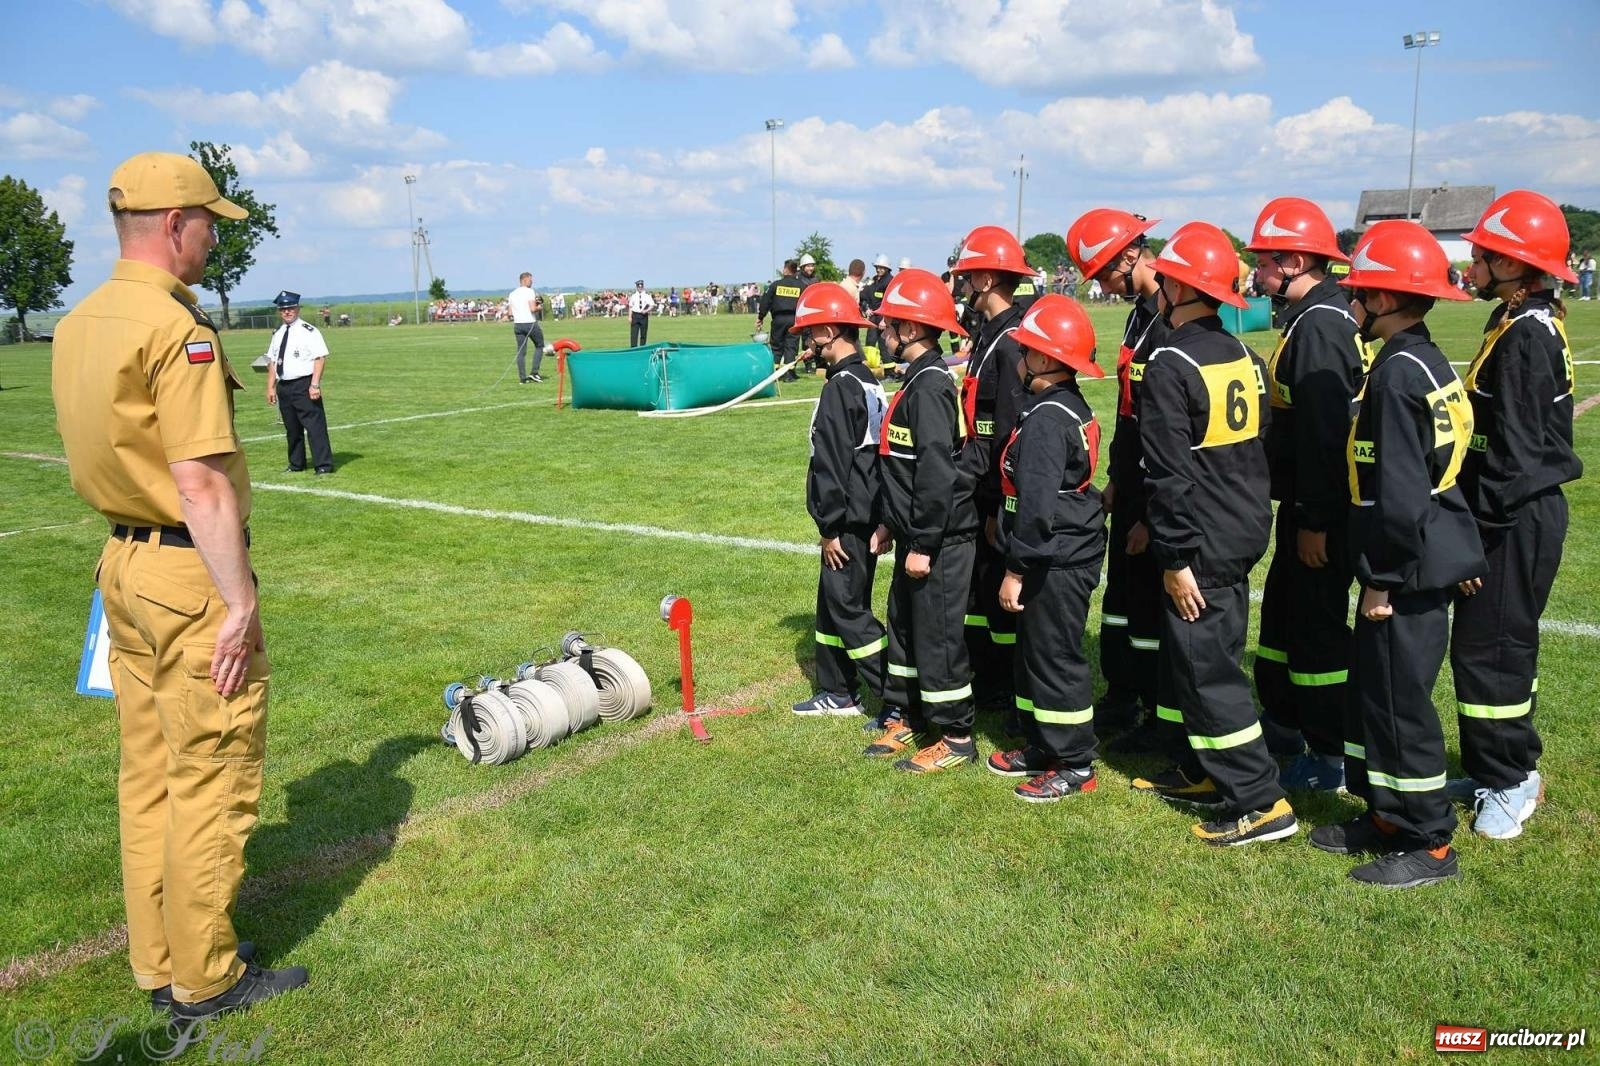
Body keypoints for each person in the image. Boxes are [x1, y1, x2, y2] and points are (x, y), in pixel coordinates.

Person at [51, 151, 307, 1019]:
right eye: (206, 223)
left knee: (148, 772)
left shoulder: (84, 317)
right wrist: (239, 605)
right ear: (173, 226)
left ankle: (159, 961)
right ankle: (206, 976)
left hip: (120, 566)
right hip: (182, 569)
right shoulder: (177, 328)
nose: (211, 241)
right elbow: (199, 482)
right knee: (210, 771)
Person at [1308, 220, 1482, 888]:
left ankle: (1429, 839)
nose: (1350, 299)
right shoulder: (1421, 357)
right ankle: (1387, 814)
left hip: (1403, 567)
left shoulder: (1396, 376)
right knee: (1377, 696)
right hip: (1418, 555)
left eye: (1360, 289)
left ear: (1383, 300)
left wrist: (1380, 580)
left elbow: (1403, 493)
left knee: (1400, 702)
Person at [1128, 221, 1295, 847]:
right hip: (1244, 523)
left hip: (1202, 539)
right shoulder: (1243, 356)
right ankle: (1207, 770)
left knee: (1209, 671)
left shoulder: (1169, 362)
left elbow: (1168, 476)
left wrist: (1175, 557)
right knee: (1205, 658)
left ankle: (1260, 800)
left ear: (1177, 287)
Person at [1448, 190, 1583, 839]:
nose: (1472, 261)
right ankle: (1493, 764)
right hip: (1509, 510)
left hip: (1512, 514)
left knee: (1493, 652)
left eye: (1485, 252)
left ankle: (1510, 781)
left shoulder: (1526, 333)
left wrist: (1473, 538)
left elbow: (1517, 456)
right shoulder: (1517, 318)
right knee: (1488, 647)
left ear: (1514, 264)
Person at [1245, 198, 1367, 792]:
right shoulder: (1312, 315)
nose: (1256, 275)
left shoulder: (1319, 325)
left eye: (1264, 263)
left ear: (1294, 260)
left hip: (1320, 508)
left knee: (1316, 630)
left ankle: (1330, 753)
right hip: (1300, 502)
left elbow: (1325, 437)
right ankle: (1285, 726)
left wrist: (1316, 519)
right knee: (1284, 622)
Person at [986, 296, 1109, 801]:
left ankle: (1076, 761)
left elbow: (1037, 505)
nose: (1019, 357)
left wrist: (1016, 568)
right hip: (1052, 550)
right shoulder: (1061, 406)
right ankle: (1043, 744)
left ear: (1045, 361)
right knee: (1034, 655)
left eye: (1028, 349)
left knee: (1055, 658)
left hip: (1054, 557)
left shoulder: (1046, 419)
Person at [865, 268, 979, 772]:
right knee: (906, 628)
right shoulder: (915, 379)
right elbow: (903, 465)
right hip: (913, 532)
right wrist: (893, 524)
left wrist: (926, 543)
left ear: (911, 331)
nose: (882, 333)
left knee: (938, 635)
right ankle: (907, 713)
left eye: (889, 325)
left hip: (939, 539)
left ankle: (955, 735)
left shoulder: (931, 386)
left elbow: (937, 471)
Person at [1065, 208, 1167, 749]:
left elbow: (1169, 430)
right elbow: (1130, 413)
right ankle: (1123, 695)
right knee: (1123, 605)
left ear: (1131, 255)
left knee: (1149, 611)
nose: (1103, 286)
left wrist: (1151, 511)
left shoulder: (1171, 314)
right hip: (1131, 485)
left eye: (1105, 272)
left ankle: (1156, 712)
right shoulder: (1138, 315)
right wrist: (1118, 483)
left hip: (1158, 493)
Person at [789, 283, 889, 717]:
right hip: (864, 515)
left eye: (811, 334)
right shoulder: (865, 380)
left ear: (830, 330)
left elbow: (832, 464)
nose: (809, 344)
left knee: (849, 610)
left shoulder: (840, 388)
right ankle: (837, 690)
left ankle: (899, 693)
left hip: (847, 521)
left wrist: (829, 527)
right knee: (832, 605)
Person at [948, 225, 1036, 716]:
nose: (960, 285)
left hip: (996, 496)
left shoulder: (1010, 341)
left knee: (1003, 600)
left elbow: (1005, 439)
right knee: (982, 596)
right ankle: (991, 678)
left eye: (965, 276)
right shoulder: (991, 332)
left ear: (983, 279)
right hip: (984, 490)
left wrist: (994, 505)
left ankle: (1005, 690)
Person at [264, 290, 334, 475]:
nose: (287, 312)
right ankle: (296, 464)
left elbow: (319, 358)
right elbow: (272, 361)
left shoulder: (309, 331)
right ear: (279, 311)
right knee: (292, 428)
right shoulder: (278, 333)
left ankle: (323, 465)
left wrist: (315, 384)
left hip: (304, 384)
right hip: (284, 386)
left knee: (314, 427)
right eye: (283, 309)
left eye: (291, 308)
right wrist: (270, 387)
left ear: (298, 309)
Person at [756, 259, 805, 382]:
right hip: (794, 319)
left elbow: (765, 302)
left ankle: (774, 374)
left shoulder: (776, 285)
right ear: (795, 271)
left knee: (776, 346)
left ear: (785, 269)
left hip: (778, 319)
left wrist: (761, 317)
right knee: (791, 347)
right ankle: (789, 374)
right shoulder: (802, 286)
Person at [508, 272, 545, 383]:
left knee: (521, 351)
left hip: (518, 324)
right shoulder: (529, 292)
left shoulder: (512, 294)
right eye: (530, 280)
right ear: (524, 280)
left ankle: (522, 378)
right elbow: (532, 309)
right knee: (540, 345)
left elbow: (510, 312)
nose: (532, 281)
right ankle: (534, 372)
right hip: (530, 323)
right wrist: (540, 307)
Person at [860, 254, 894, 371]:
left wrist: (885, 320)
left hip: (884, 319)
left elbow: (890, 303)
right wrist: (866, 308)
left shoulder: (889, 282)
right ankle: (869, 368)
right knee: (870, 343)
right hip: (874, 318)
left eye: (881, 267)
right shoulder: (875, 282)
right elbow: (864, 296)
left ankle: (890, 372)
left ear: (887, 269)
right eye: (877, 267)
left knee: (883, 345)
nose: (879, 269)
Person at [628, 279, 655, 346]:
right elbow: (630, 307)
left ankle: (642, 348)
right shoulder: (633, 296)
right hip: (635, 315)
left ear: (643, 286)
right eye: (638, 286)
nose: (640, 288)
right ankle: (633, 349)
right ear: (636, 287)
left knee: (643, 334)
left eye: (641, 286)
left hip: (643, 316)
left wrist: (646, 310)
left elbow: (652, 305)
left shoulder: (647, 296)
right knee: (634, 334)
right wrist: (629, 317)